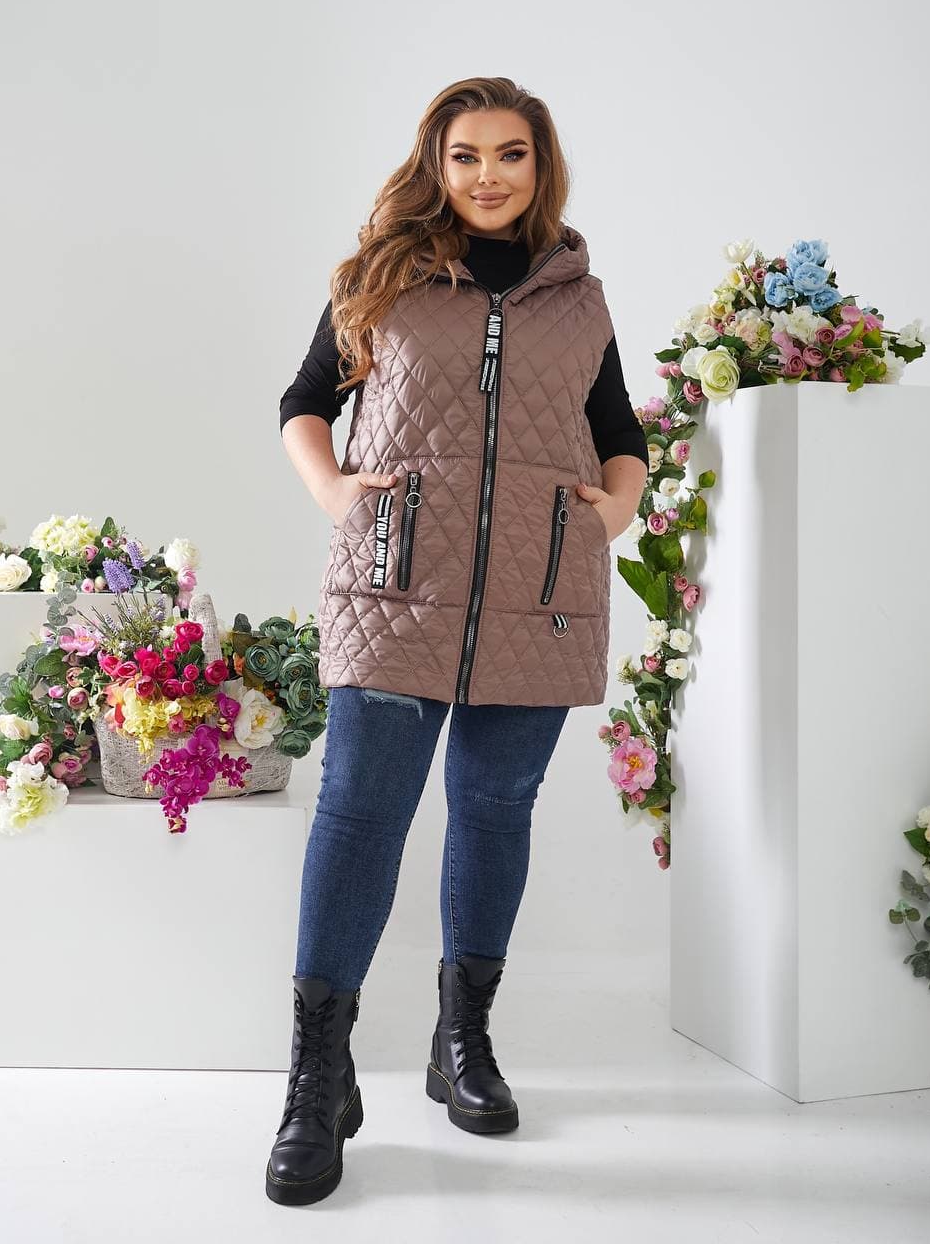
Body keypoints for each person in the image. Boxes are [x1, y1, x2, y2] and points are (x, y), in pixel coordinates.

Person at [269, 76, 649, 1206]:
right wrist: (334, 492)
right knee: (358, 816)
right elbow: (303, 400)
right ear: (436, 165)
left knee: (493, 811)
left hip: (537, 598)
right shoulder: (381, 278)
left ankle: (460, 1041)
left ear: (541, 165)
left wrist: (611, 514)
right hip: (391, 589)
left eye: (509, 154)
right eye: (466, 155)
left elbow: (619, 434)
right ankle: (318, 1074)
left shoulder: (580, 301)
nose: (488, 175)